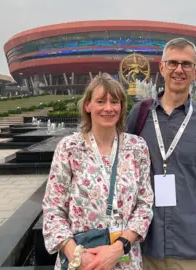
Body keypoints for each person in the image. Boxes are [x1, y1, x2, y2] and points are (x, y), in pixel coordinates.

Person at [126, 38, 196, 270]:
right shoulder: (139, 114)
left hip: (190, 245)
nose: (179, 70)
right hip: (144, 243)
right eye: (172, 63)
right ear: (162, 68)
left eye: (186, 64)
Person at [42, 73, 154, 270]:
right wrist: (77, 255)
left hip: (124, 259)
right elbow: (53, 209)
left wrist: (120, 247)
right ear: (88, 105)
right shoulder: (69, 148)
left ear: (122, 107)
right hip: (81, 261)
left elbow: (145, 205)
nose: (108, 108)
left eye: (115, 102)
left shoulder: (137, 148)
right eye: (101, 101)